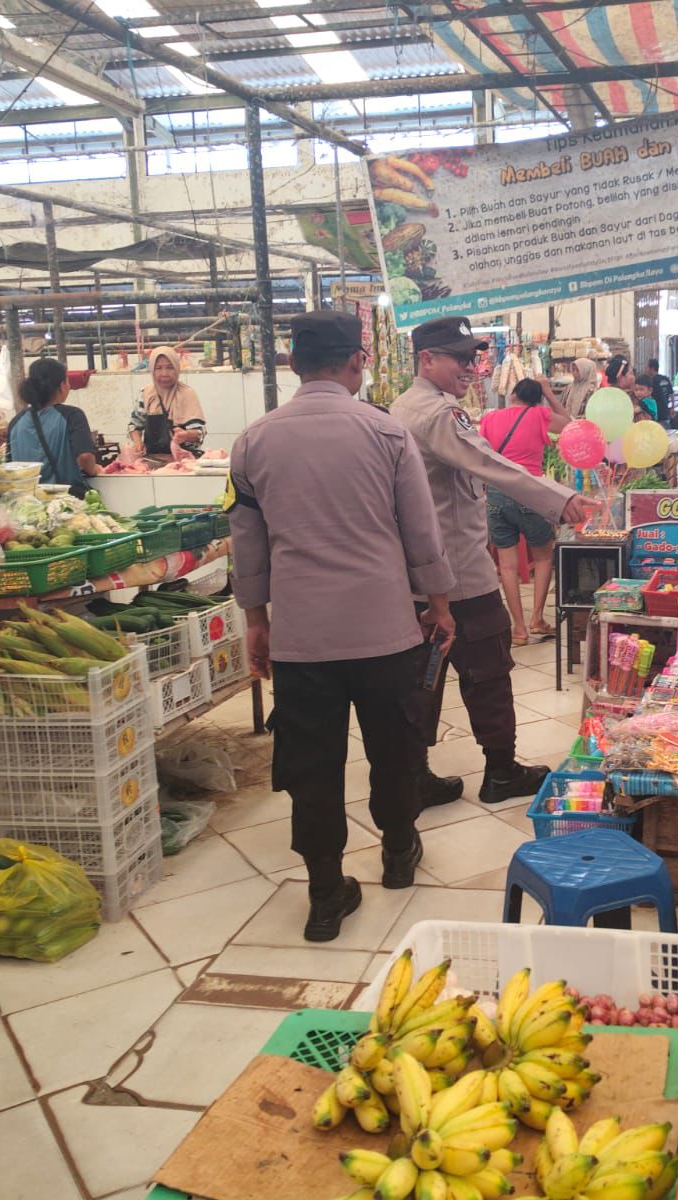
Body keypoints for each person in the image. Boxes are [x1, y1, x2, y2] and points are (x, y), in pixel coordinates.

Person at [228, 311, 457, 942]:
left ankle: (325, 895)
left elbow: (247, 544)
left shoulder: (253, 442)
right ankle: (398, 852)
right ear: (357, 362)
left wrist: (256, 619)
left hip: (302, 638)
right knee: (394, 746)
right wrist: (439, 604)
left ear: (292, 365)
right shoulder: (385, 434)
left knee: (311, 764)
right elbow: (421, 531)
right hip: (384, 629)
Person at [393, 318, 591, 806]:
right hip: (458, 572)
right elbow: (493, 465)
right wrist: (558, 496)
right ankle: (500, 772)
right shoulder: (438, 414)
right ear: (426, 359)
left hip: (419, 571)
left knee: (422, 676)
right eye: (460, 358)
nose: (471, 367)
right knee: (488, 671)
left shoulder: (402, 407)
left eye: (473, 357)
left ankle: (413, 774)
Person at [479, 378, 569, 646]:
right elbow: (569, 425)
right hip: (531, 492)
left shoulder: (491, 418)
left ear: (513, 394)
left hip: (495, 492)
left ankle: (518, 628)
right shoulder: (539, 414)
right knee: (543, 556)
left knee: (506, 566)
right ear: (536, 398)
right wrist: (550, 395)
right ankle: (537, 618)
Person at [7, 358, 100, 496]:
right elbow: (85, 457)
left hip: (27, 502)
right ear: (62, 386)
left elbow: (9, 466)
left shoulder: (16, 422)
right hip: (64, 502)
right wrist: (94, 469)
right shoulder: (72, 415)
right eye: (67, 381)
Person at [130, 347, 205, 458]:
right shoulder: (146, 393)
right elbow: (134, 425)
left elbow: (199, 432)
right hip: (153, 460)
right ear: (152, 370)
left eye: (170, 367)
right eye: (158, 368)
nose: (164, 373)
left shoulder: (187, 393)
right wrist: (138, 443)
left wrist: (186, 435)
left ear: (177, 368)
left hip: (185, 461)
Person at [646, 358, 675, 425]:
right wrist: (672, 408)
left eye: (647, 367)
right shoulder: (665, 379)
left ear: (652, 368)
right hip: (666, 414)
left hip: (657, 415)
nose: (646, 369)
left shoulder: (652, 381)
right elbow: (672, 394)